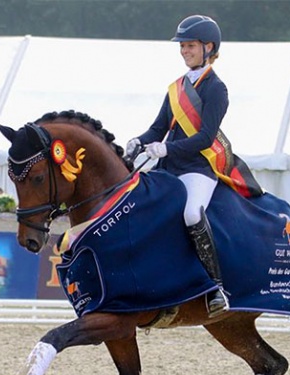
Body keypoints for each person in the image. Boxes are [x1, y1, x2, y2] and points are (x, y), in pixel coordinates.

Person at [125, 14, 229, 317]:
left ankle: (215, 287)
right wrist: (138, 141)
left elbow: (206, 137)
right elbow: (157, 129)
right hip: (168, 168)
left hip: (198, 168)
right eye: (182, 46)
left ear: (208, 47)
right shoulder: (176, 88)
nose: (185, 51)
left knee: (191, 213)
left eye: (191, 46)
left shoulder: (216, 89)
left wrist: (166, 148)